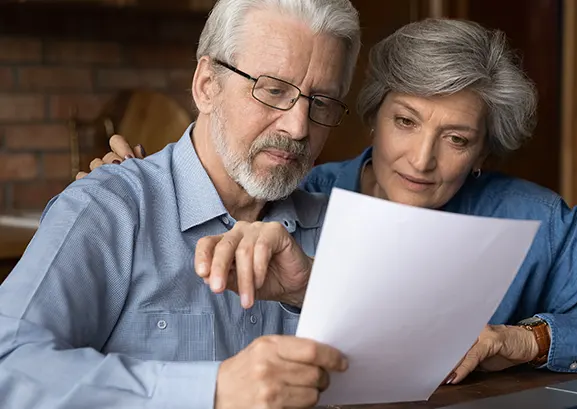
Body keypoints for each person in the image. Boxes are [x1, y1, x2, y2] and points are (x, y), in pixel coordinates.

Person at [95, 18, 577, 385]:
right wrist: (145, 191)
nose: (422, 160)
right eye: (406, 122)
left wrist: (524, 341)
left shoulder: (534, 218)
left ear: (484, 150)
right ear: (373, 114)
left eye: (457, 139)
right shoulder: (298, 195)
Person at [0, 1, 362, 408]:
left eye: (321, 103)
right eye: (273, 90)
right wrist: (214, 390)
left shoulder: (342, 229)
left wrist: (313, 291)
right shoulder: (109, 209)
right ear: (207, 85)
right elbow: (8, 366)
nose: (298, 127)